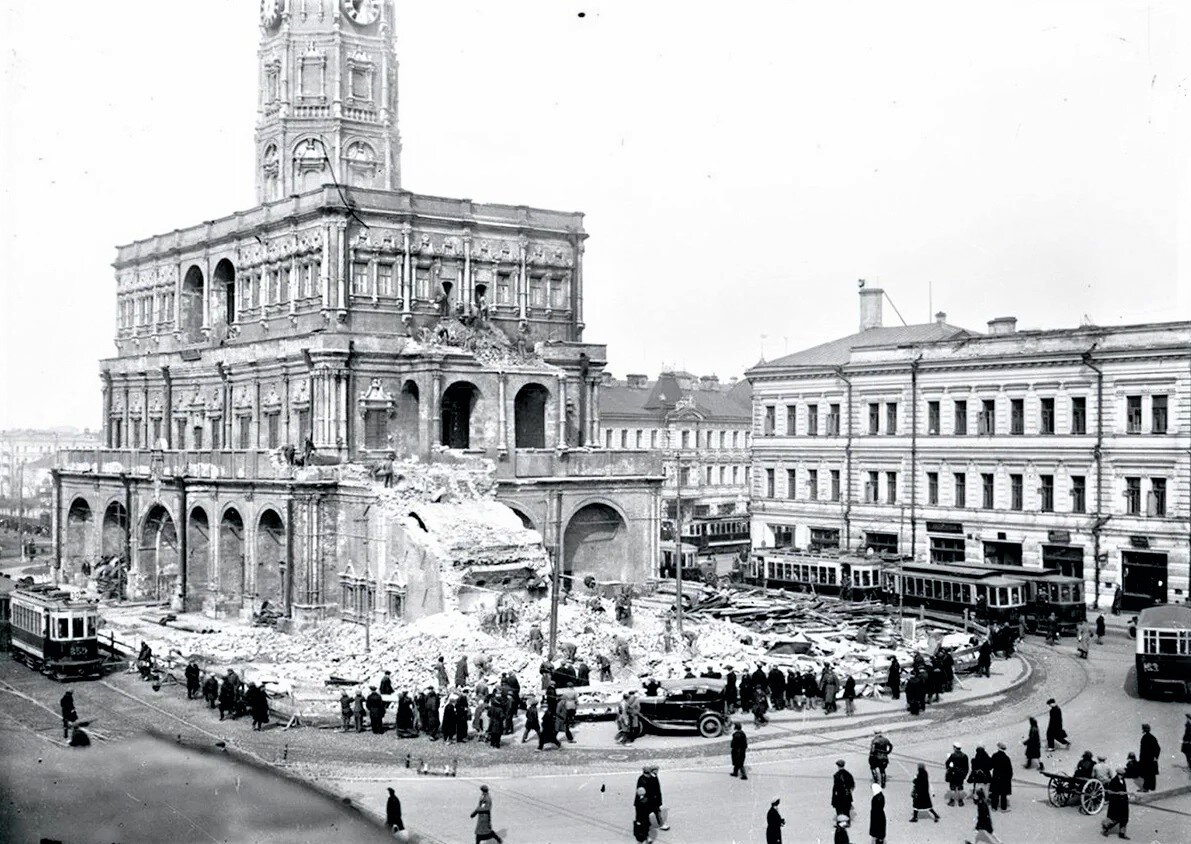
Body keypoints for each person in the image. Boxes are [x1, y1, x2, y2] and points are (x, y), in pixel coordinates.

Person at [636, 765, 668, 831]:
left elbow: (657, 790)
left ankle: (660, 824)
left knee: (656, 811)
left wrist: (659, 800)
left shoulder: (653, 777)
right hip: (647, 800)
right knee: (645, 813)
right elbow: (641, 791)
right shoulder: (643, 779)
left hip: (653, 799)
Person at [1101, 767, 1130, 839]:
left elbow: (1124, 790)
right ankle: (1106, 828)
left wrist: (1126, 797)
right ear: (1118, 774)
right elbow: (1110, 792)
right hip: (1116, 803)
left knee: (1124, 818)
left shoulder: (1122, 780)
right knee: (1115, 818)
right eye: (1121, 775)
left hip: (1124, 802)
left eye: (1123, 775)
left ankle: (1122, 834)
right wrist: (1118, 793)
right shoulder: (1113, 781)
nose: (1122, 776)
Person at [989, 742, 1012, 811]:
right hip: (1004, 778)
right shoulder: (1007, 758)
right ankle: (1003, 807)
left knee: (995, 793)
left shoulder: (994, 755)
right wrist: (1009, 778)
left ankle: (994, 807)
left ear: (998, 748)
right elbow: (1010, 770)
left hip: (996, 776)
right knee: (1003, 794)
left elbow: (991, 766)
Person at [1139, 723, 1160, 792]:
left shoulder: (1144, 738)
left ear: (1144, 730)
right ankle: (1152, 787)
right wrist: (1156, 757)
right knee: (1152, 774)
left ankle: (1146, 788)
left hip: (1146, 759)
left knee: (1146, 774)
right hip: (1151, 759)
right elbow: (1158, 748)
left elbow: (1143, 750)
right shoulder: (1152, 737)